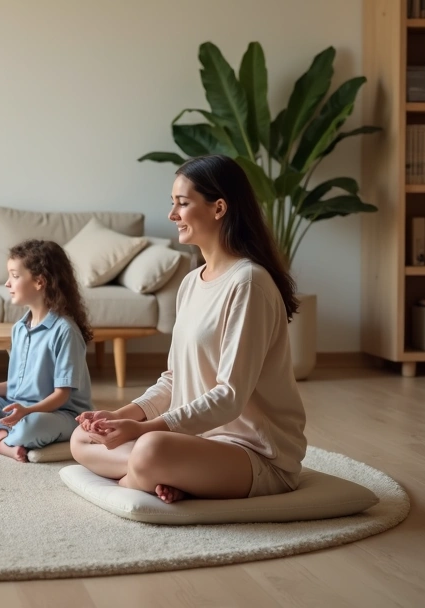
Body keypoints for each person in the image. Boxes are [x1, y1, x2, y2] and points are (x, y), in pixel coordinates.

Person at [71, 154, 307, 503]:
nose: (172, 215)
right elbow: (173, 379)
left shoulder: (249, 284)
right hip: (195, 444)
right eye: (173, 204)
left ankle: (141, 476)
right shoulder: (191, 282)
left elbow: (230, 396)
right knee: (81, 439)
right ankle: (160, 476)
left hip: (255, 455)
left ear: (219, 208)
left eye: (182, 203)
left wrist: (144, 429)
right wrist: (119, 418)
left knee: (150, 447)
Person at [0, 239, 94, 462]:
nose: (7, 284)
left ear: (39, 282)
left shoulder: (64, 331)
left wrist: (27, 412)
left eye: (15, 276)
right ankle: (4, 442)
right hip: (20, 409)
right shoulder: (20, 328)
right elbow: (18, 387)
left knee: (33, 426)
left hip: (60, 414)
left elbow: (62, 395)